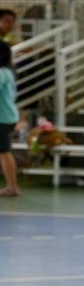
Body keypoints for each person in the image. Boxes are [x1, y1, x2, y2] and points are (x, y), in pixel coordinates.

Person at [0, 41, 18, 197]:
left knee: (4, 151)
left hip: (2, 118)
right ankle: (11, 186)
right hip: (7, 116)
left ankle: (12, 187)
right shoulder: (7, 71)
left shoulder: (1, 72)